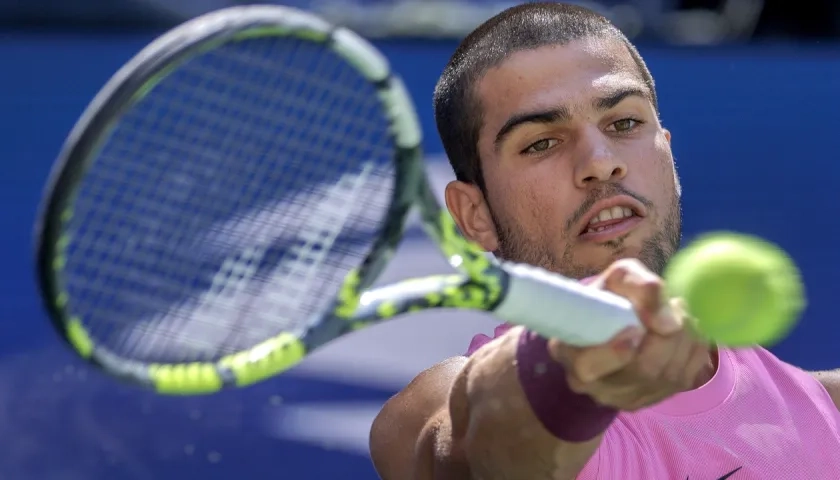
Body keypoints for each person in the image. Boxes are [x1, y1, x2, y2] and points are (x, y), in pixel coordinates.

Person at [368, 3, 840, 479]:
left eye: (624, 123)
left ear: (668, 157)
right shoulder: (428, 411)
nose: (600, 161)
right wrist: (564, 366)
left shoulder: (828, 410)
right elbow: (477, 446)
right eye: (541, 143)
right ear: (475, 215)